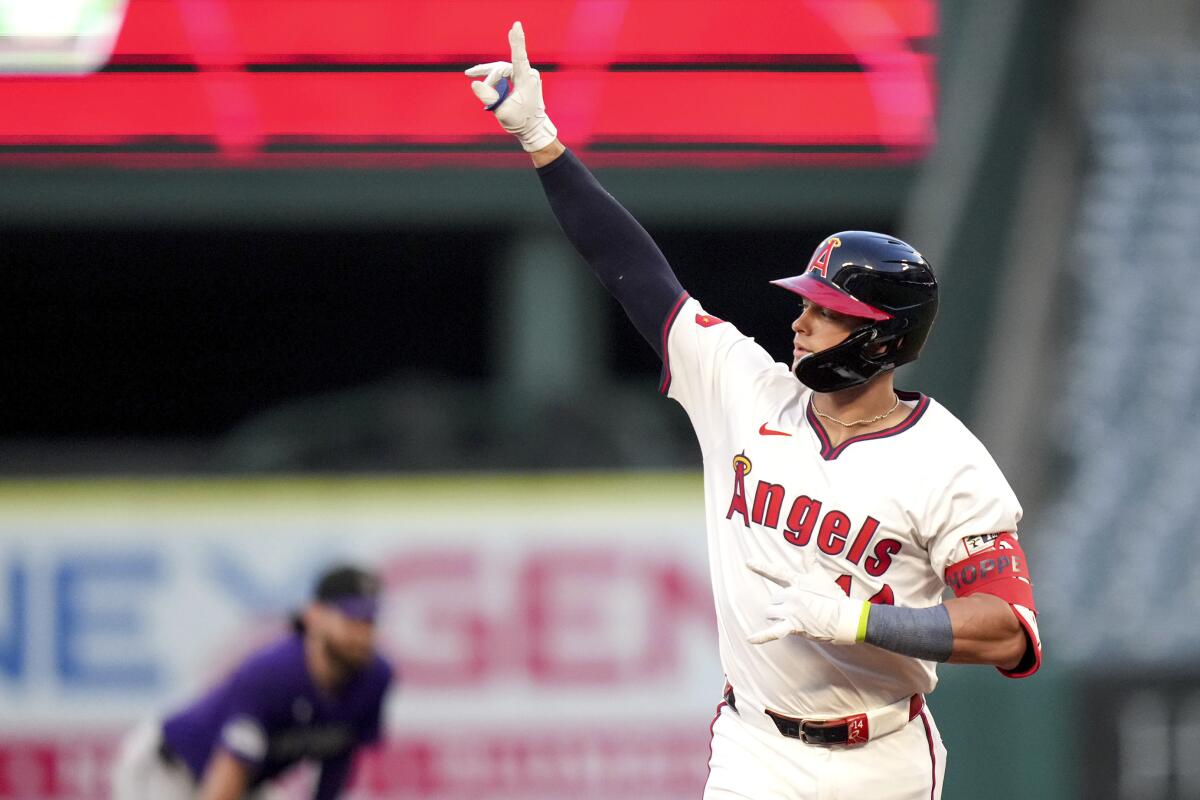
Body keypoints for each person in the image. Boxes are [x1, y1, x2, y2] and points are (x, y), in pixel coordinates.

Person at [466, 23, 1042, 800]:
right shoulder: (743, 388)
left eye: (827, 311)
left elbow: (1006, 628)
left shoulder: (951, 462)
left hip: (885, 754)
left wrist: (859, 622)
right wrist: (542, 141)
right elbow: (634, 270)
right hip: (756, 748)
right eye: (807, 303)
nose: (801, 322)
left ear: (881, 336)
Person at [110, 564, 393, 800]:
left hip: (244, 781)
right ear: (314, 615)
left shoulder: (375, 678)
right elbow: (227, 774)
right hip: (166, 771)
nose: (362, 632)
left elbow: (338, 762)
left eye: (370, 619)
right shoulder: (274, 674)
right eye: (352, 618)